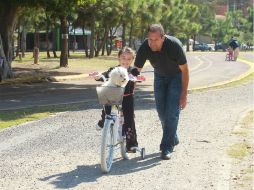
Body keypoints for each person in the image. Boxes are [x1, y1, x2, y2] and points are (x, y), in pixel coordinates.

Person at [134, 24, 189, 160]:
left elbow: (185, 71)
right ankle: (173, 137)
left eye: (155, 40)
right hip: (159, 76)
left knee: (172, 113)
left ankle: (166, 147)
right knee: (161, 112)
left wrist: (184, 94)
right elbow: (135, 71)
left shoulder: (174, 45)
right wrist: (129, 87)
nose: (152, 43)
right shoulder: (145, 47)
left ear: (163, 38)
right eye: (149, 39)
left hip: (176, 77)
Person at [93, 46, 141, 153]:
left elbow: (138, 76)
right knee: (107, 110)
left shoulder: (132, 70)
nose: (126, 61)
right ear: (119, 59)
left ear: (132, 60)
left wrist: (138, 78)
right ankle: (103, 121)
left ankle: (131, 145)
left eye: (129, 59)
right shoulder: (114, 70)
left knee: (129, 119)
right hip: (113, 95)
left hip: (127, 97)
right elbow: (105, 75)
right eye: (123, 58)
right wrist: (98, 76)